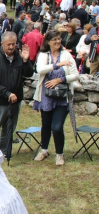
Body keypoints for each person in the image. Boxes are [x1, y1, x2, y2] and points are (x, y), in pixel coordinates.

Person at [33, 30, 79, 166]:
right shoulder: (43, 55)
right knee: (46, 125)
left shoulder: (67, 55)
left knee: (57, 127)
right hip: (46, 96)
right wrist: (57, 65)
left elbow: (75, 74)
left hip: (62, 97)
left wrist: (60, 80)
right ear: (48, 42)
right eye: (55, 40)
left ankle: (59, 154)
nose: (58, 42)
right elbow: (40, 70)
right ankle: (44, 150)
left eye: (59, 39)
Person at [0, 32, 33, 152]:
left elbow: (28, 74)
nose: (11, 47)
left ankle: (4, 152)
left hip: (15, 100)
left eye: (13, 44)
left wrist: (26, 61)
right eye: (9, 45)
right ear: (2, 44)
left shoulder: (18, 57)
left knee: (9, 128)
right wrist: (7, 93)